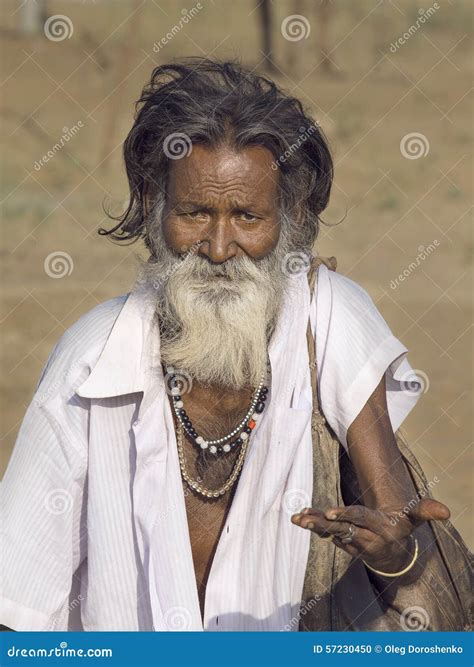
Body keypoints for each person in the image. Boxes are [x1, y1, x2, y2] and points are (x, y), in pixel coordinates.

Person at [0, 58, 451, 632]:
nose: (217, 248)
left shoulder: (330, 317)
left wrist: (394, 553)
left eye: (246, 216)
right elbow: (15, 608)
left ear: (287, 217)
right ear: (155, 207)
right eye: (194, 213)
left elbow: (403, 537)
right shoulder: (90, 359)